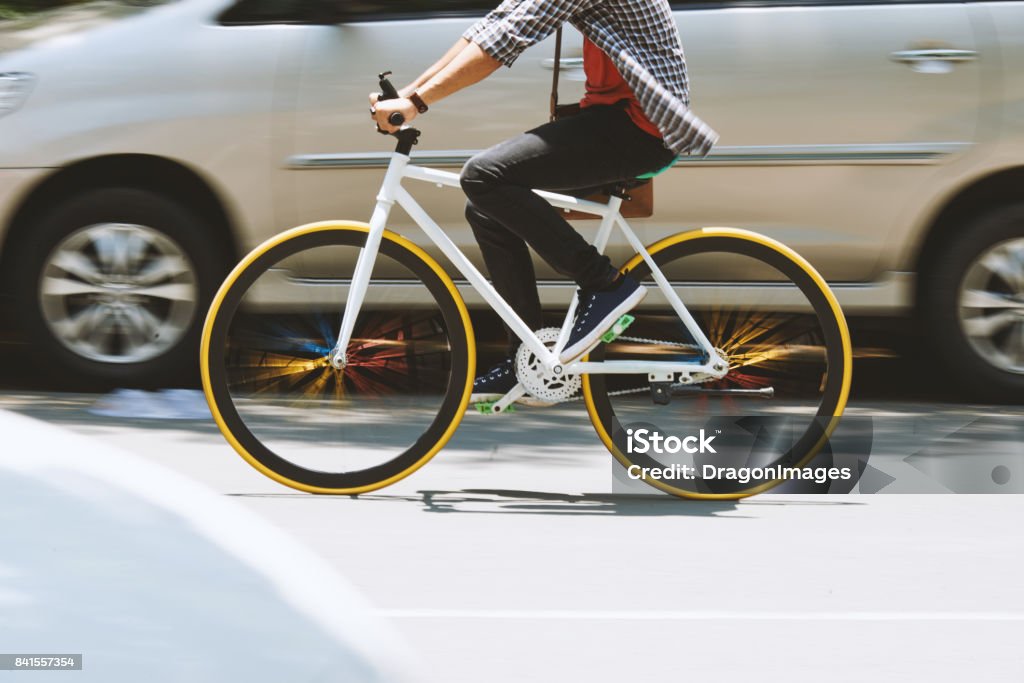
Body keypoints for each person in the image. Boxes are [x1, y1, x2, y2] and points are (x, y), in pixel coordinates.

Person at [370, 0, 718, 404]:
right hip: (614, 121)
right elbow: (491, 26)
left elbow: (502, 43)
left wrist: (416, 103)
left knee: (483, 176)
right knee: (486, 207)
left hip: (639, 129)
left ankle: (603, 284)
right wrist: (411, 95)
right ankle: (526, 359)